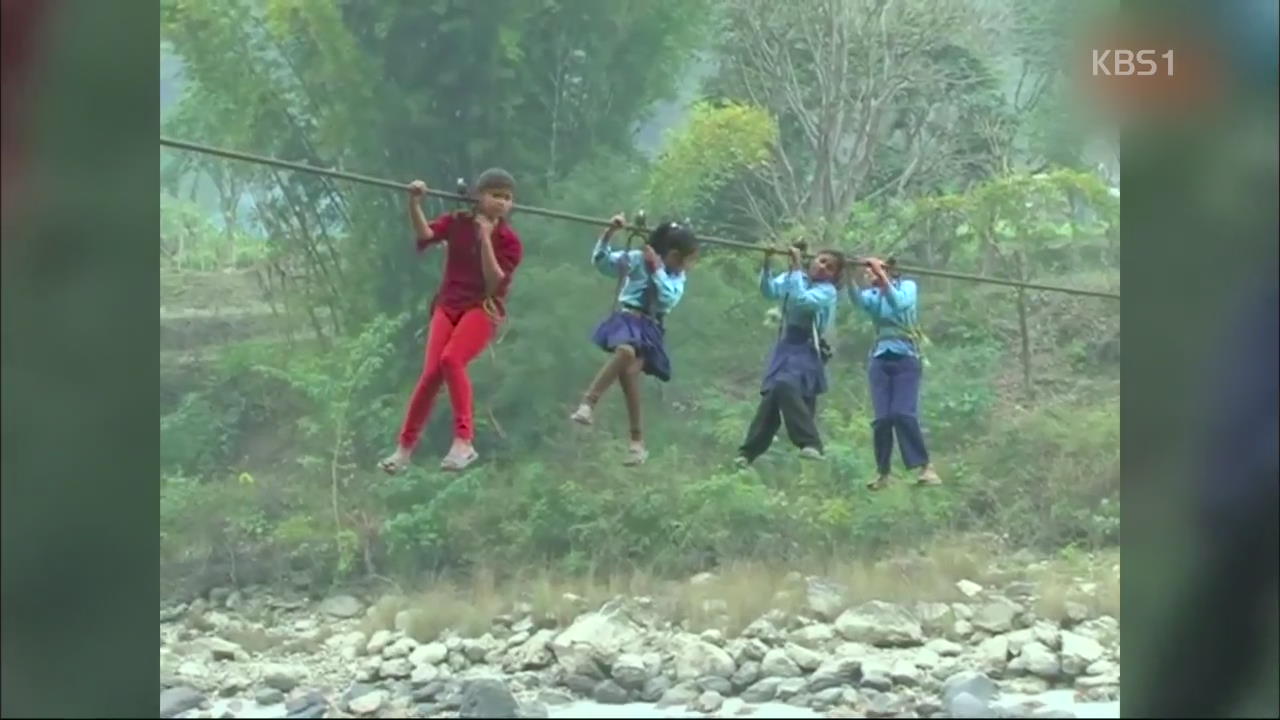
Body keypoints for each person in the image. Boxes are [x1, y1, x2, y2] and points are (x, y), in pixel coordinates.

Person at [379, 169, 522, 474]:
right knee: (430, 374)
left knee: (451, 359)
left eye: (507, 198)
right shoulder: (458, 223)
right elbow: (426, 235)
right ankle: (404, 450)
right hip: (448, 304)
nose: (501, 202)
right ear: (478, 196)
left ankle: (464, 442)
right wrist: (414, 204)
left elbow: (494, 281)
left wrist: (485, 239)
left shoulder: (509, 241)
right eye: (495, 195)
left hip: (482, 307)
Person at [570, 214, 698, 466]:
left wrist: (658, 269)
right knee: (626, 353)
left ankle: (636, 443)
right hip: (628, 318)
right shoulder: (637, 260)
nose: (689, 266)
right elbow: (602, 262)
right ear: (673, 255)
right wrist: (609, 233)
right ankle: (588, 403)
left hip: (651, 327)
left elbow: (668, 298)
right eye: (688, 259)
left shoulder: (675, 277)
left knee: (629, 375)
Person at [736, 245, 843, 466]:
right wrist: (767, 263)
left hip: (807, 347)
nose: (823, 268)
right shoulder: (796, 277)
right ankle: (748, 452)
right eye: (821, 261)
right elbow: (769, 291)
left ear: (834, 276)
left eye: (830, 268)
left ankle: (810, 442)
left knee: (785, 384)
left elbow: (801, 302)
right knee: (773, 395)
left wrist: (795, 268)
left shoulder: (827, 291)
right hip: (787, 345)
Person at [848, 257, 941, 489]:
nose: (871, 275)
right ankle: (883, 473)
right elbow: (857, 301)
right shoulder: (873, 296)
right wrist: (849, 276)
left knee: (902, 414)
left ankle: (925, 467)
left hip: (906, 356)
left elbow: (899, 303)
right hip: (880, 357)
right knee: (882, 419)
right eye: (869, 273)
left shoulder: (907, 287)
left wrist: (883, 277)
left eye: (875, 271)